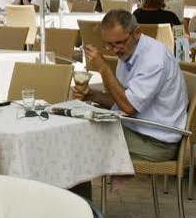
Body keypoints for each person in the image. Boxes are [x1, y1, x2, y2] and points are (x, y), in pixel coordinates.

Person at [77, 10, 188, 162]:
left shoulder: (153, 59)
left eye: (119, 42)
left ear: (137, 33)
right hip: (136, 127)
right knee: (79, 123)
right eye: (109, 45)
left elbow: (129, 107)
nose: (115, 50)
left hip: (156, 141)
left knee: (82, 139)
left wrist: (103, 67)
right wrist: (92, 95)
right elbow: (122, 100)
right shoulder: (130, 52)